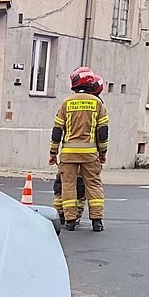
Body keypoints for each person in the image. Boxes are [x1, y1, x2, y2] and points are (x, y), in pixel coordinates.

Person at [49, 67, 109, 232]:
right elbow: (102, 133)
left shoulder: (66, 103)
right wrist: (102, 153)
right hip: (90, 154)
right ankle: (97, 221)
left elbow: (57, 131)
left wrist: (53, 153)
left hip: (68, 154)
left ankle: (69, 221)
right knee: (94, 185)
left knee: (68, 186)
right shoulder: (97, 104)